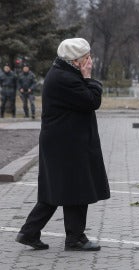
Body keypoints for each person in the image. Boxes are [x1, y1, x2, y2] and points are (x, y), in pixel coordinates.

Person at [15, 38, 110, 251]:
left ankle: (30, 232)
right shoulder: (66, 78)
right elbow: (92, 101)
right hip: (66, 143)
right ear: (75, 61)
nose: (90, 62)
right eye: (86, 58)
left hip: (65, 142)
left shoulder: (63, 73)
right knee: (74, 188)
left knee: (62, 189)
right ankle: (74, 238)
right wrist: (89, 78)